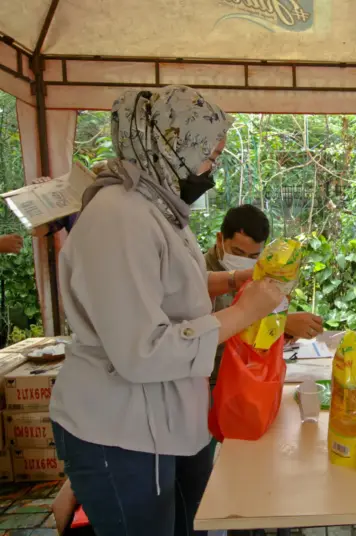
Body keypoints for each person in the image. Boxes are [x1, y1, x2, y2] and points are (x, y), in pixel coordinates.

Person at [49, 86, 285, 536]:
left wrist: (240, 285)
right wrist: (243, 314)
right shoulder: (118, 217)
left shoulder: (156, 207)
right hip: (119, 432)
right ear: (170, 146)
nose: (211, 168)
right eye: (207, 154)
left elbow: (178, 292)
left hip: (167, 422)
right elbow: (141, 351)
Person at [205, 204, 324, 386]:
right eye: (237, 252)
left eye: (253, 256)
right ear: (220, 239)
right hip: (214, 379)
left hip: (252, 376)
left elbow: (263, 332)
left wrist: (284, 330)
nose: (244, 260)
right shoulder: (199, 275)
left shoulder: (260, 273)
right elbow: (206, 335)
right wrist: (283, 324)